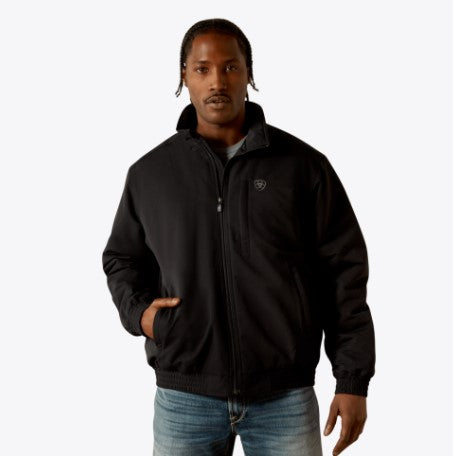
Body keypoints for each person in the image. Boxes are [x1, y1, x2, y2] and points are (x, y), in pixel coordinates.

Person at [102, 18, 376, 456]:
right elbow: (121, 258)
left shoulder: (302, 167)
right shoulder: (150, 174)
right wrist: (140, 315)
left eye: (230, 67)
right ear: (184, 77)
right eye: (202, 68)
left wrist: (352, 379)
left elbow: (343, 272)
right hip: (184, 397)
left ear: (249, 74)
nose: (217, 81)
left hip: (284, 396)